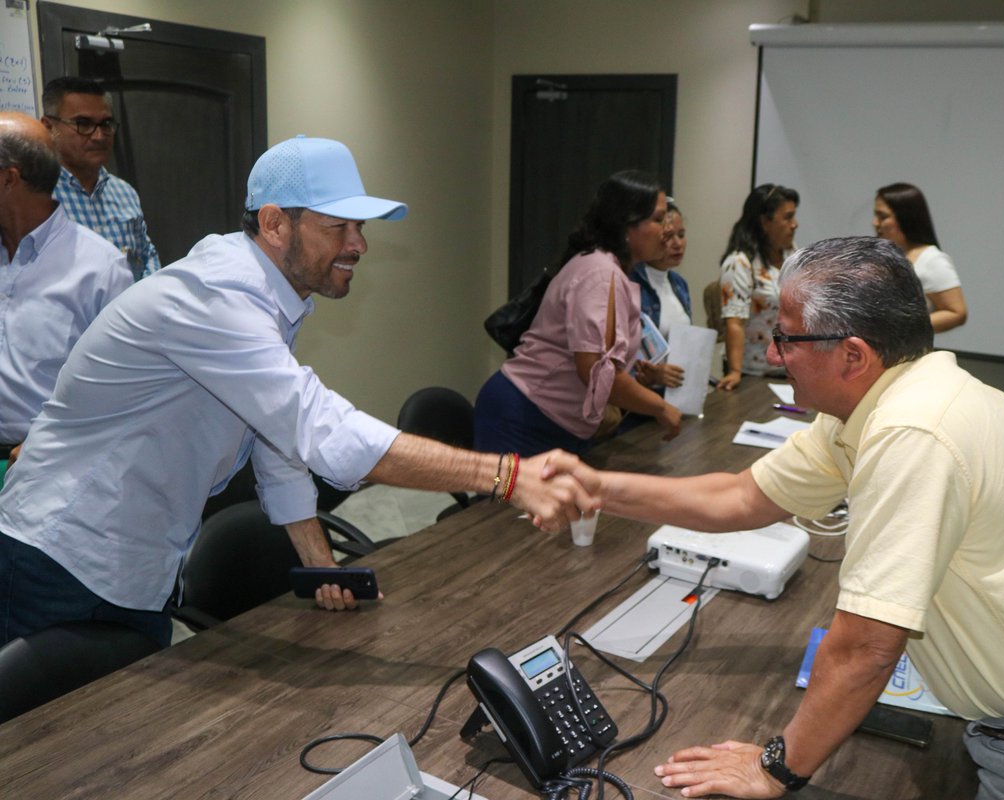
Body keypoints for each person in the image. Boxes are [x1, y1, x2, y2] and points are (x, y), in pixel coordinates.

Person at [552, 236, 1004, 799]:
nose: (774, 355)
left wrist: (777, 768)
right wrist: (597, 486)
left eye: (788, 339)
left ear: (852, 356)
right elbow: (740, 497)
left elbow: (864, 648)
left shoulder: (911, 430)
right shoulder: (885, 397)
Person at [0, 136, 594, 649]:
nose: (359, 245)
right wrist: (506, 476)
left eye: (359, 227)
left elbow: (274, 434)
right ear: (275, 222)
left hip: (135, 560)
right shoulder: (217, 295)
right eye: (339, 226)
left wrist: (317, 561)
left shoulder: (270, 295)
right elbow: (322, 430)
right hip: (59, 554)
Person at [474, 170, 683, 456]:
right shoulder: (599, 273)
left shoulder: (610, 269)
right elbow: (597, 374)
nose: (668, 230)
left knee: (546, 500)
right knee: (501, 495)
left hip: (553, 420)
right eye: (659, 220)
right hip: (522, 419)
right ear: (627, 225)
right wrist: (660, 407)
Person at [0, 112, 131, 472]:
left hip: (47, 467)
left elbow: (122, 384)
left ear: (9, 179)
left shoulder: (100, 270)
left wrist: (47, 441)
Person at [42, 76, 161, 280]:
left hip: (128, 310)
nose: (98, 136)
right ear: (48, 127)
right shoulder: (36, 195)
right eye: (83, 124)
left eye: (106, 124)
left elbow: (146, 255)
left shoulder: (124, 192)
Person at [716, 183, 798, 390]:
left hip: (790, 369)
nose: (795, 224)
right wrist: (735, 372)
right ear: (764, 222)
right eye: (787, 217)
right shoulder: (740, 263)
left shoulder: (793, 255)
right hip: (754, 374)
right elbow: (735, 322)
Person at [872, 182, 967, 333]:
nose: (875, 223)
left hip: (905, 353)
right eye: (875, 215)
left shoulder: (931, 260)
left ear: (906, 218)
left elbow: (957, 313)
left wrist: (898, 330)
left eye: (883, 216)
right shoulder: (883, 254)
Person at [630, 200, 689, 390]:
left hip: (673, 394)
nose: (677, 244)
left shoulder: (680, 284)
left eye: (681, 235)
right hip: (636, 399)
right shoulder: (629, 282)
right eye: (669, 236)